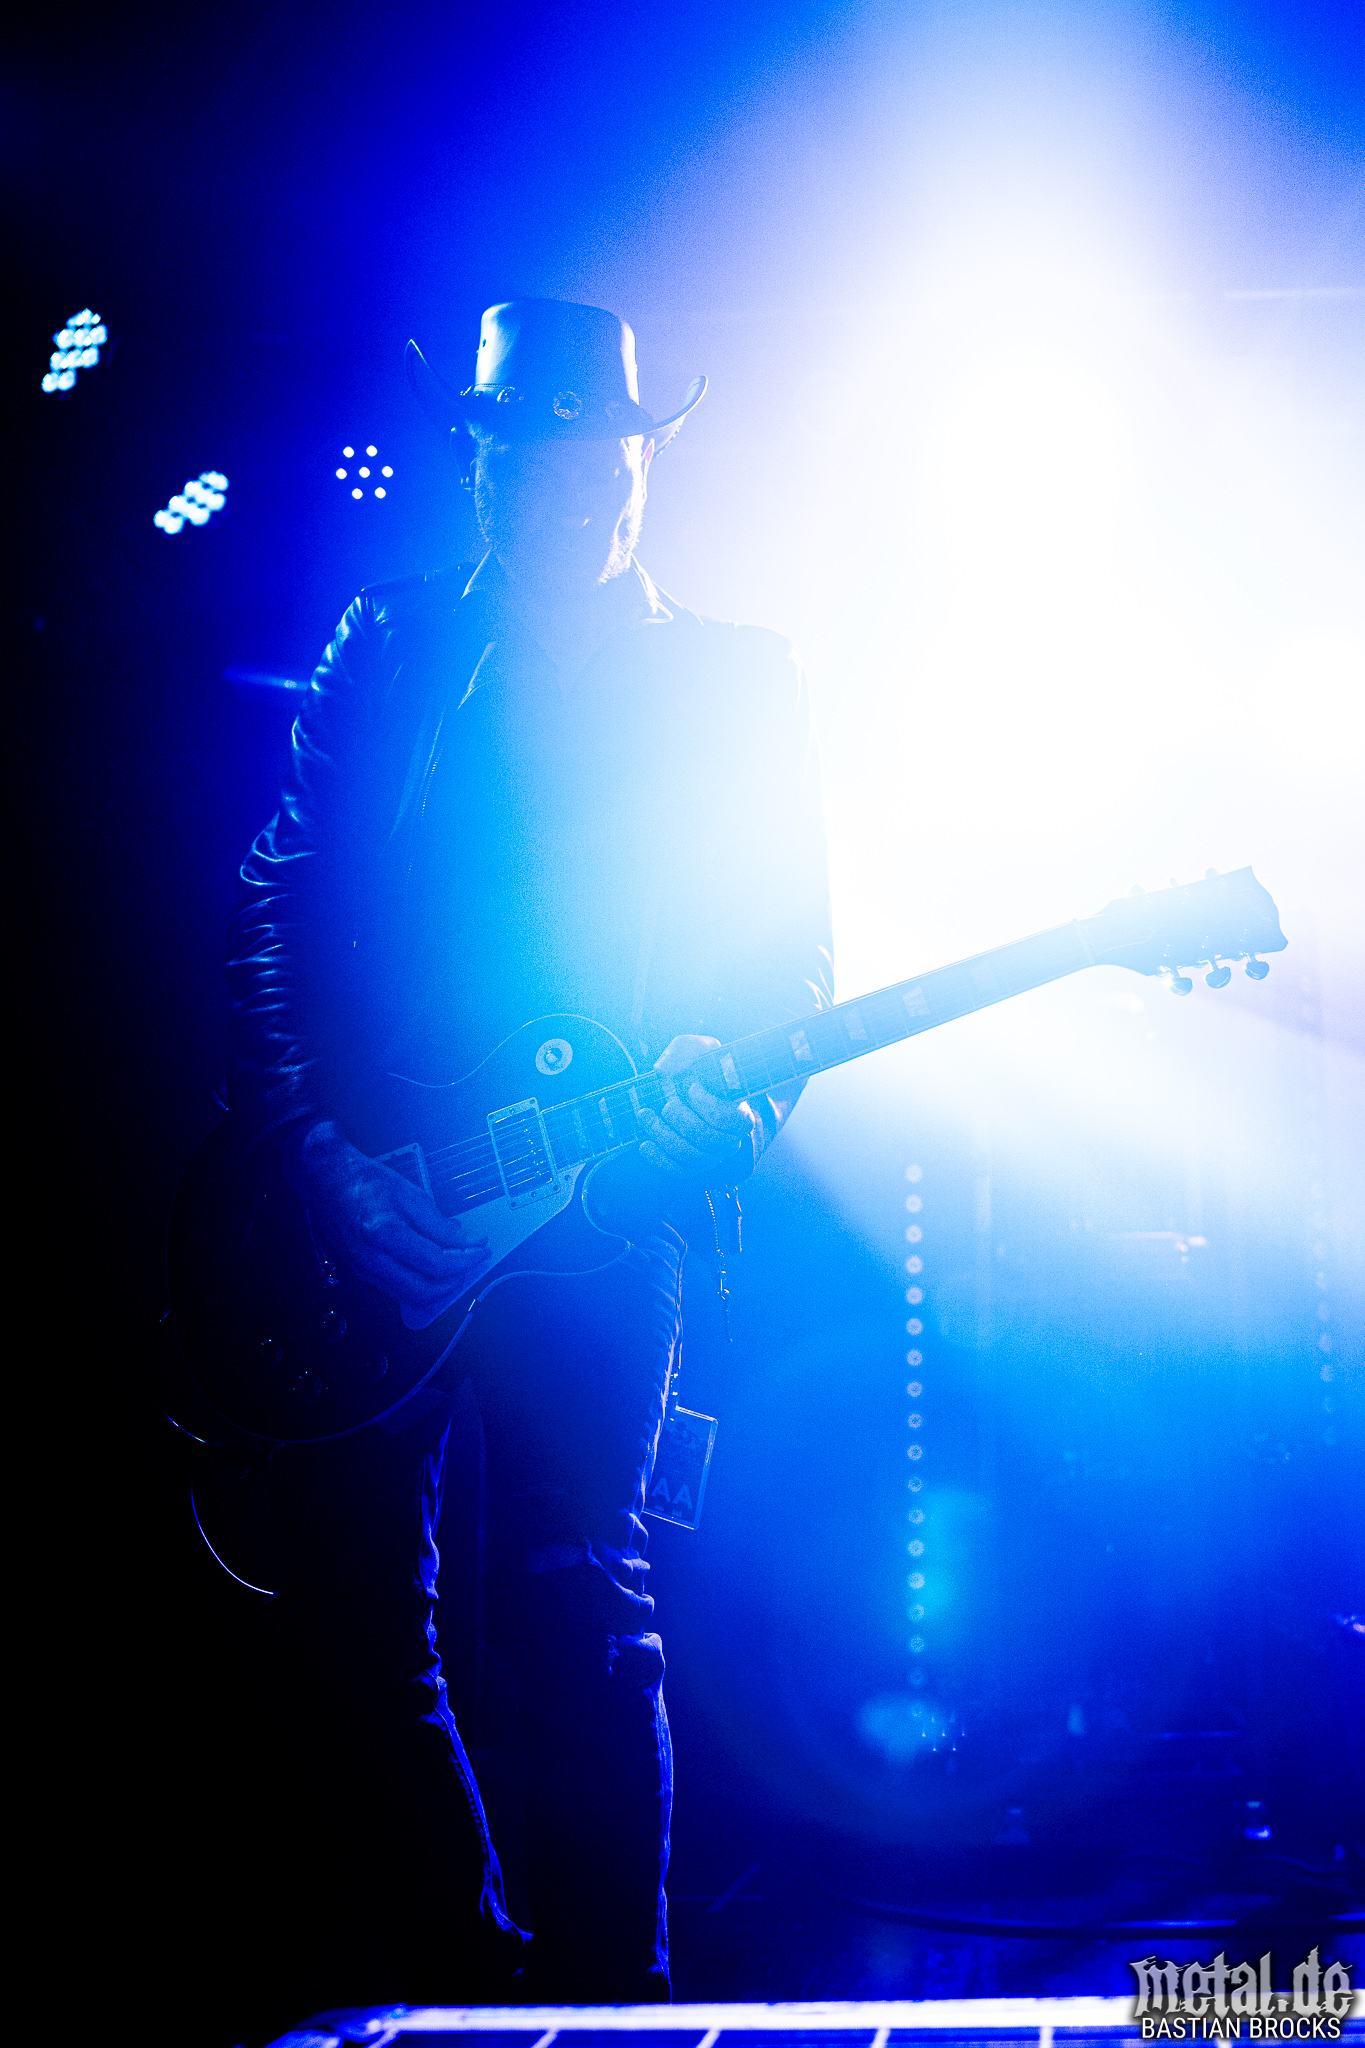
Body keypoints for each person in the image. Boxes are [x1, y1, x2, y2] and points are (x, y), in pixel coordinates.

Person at [224, 299, 832, 2009]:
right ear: (475, 463)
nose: (563, 491)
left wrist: (728, 1102)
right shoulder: (392, 643)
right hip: (378, 1194)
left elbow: (789, 969)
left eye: (595, 459)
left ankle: (613, 2017)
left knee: (583, 1612)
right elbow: (277, 905)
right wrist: (322, 1160)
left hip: (606, 1205)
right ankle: (459, 1988)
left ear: (641, 464)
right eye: (524, 458)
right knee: (350, 1630)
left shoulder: (732, 678)